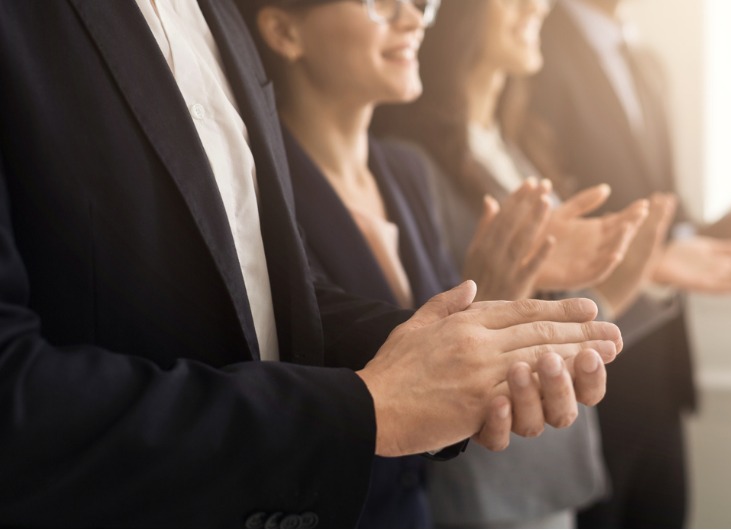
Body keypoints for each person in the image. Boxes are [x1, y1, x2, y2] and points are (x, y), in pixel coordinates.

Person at [0, 1, 623, 526]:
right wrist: (366, 407)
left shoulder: (216, 14)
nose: (412, 16)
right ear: (288, 34)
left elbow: (267, 290)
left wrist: (465, 352)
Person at [238, 0, 646, 525]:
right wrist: (492, 292)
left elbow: (443, 353)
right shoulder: (264, 187)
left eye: (418, 3)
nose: (412, 19)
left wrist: (502, 293)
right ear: (282, 31)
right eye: (378, 4)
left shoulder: (405, 170)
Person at [372, 0, 677, 527]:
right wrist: (609, 290)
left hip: (548, 468)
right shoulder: (412, 161)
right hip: (485, 482)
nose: (538, 5)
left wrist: (631, 279)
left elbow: (540, 310)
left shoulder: (515, 147)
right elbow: (444, 329)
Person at [528, 0, 731, 526]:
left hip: (662, 368)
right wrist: (658, 258)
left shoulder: (645, 61)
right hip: (594, 375)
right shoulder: (536, 48)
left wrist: (706, 238)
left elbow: (662, 200)